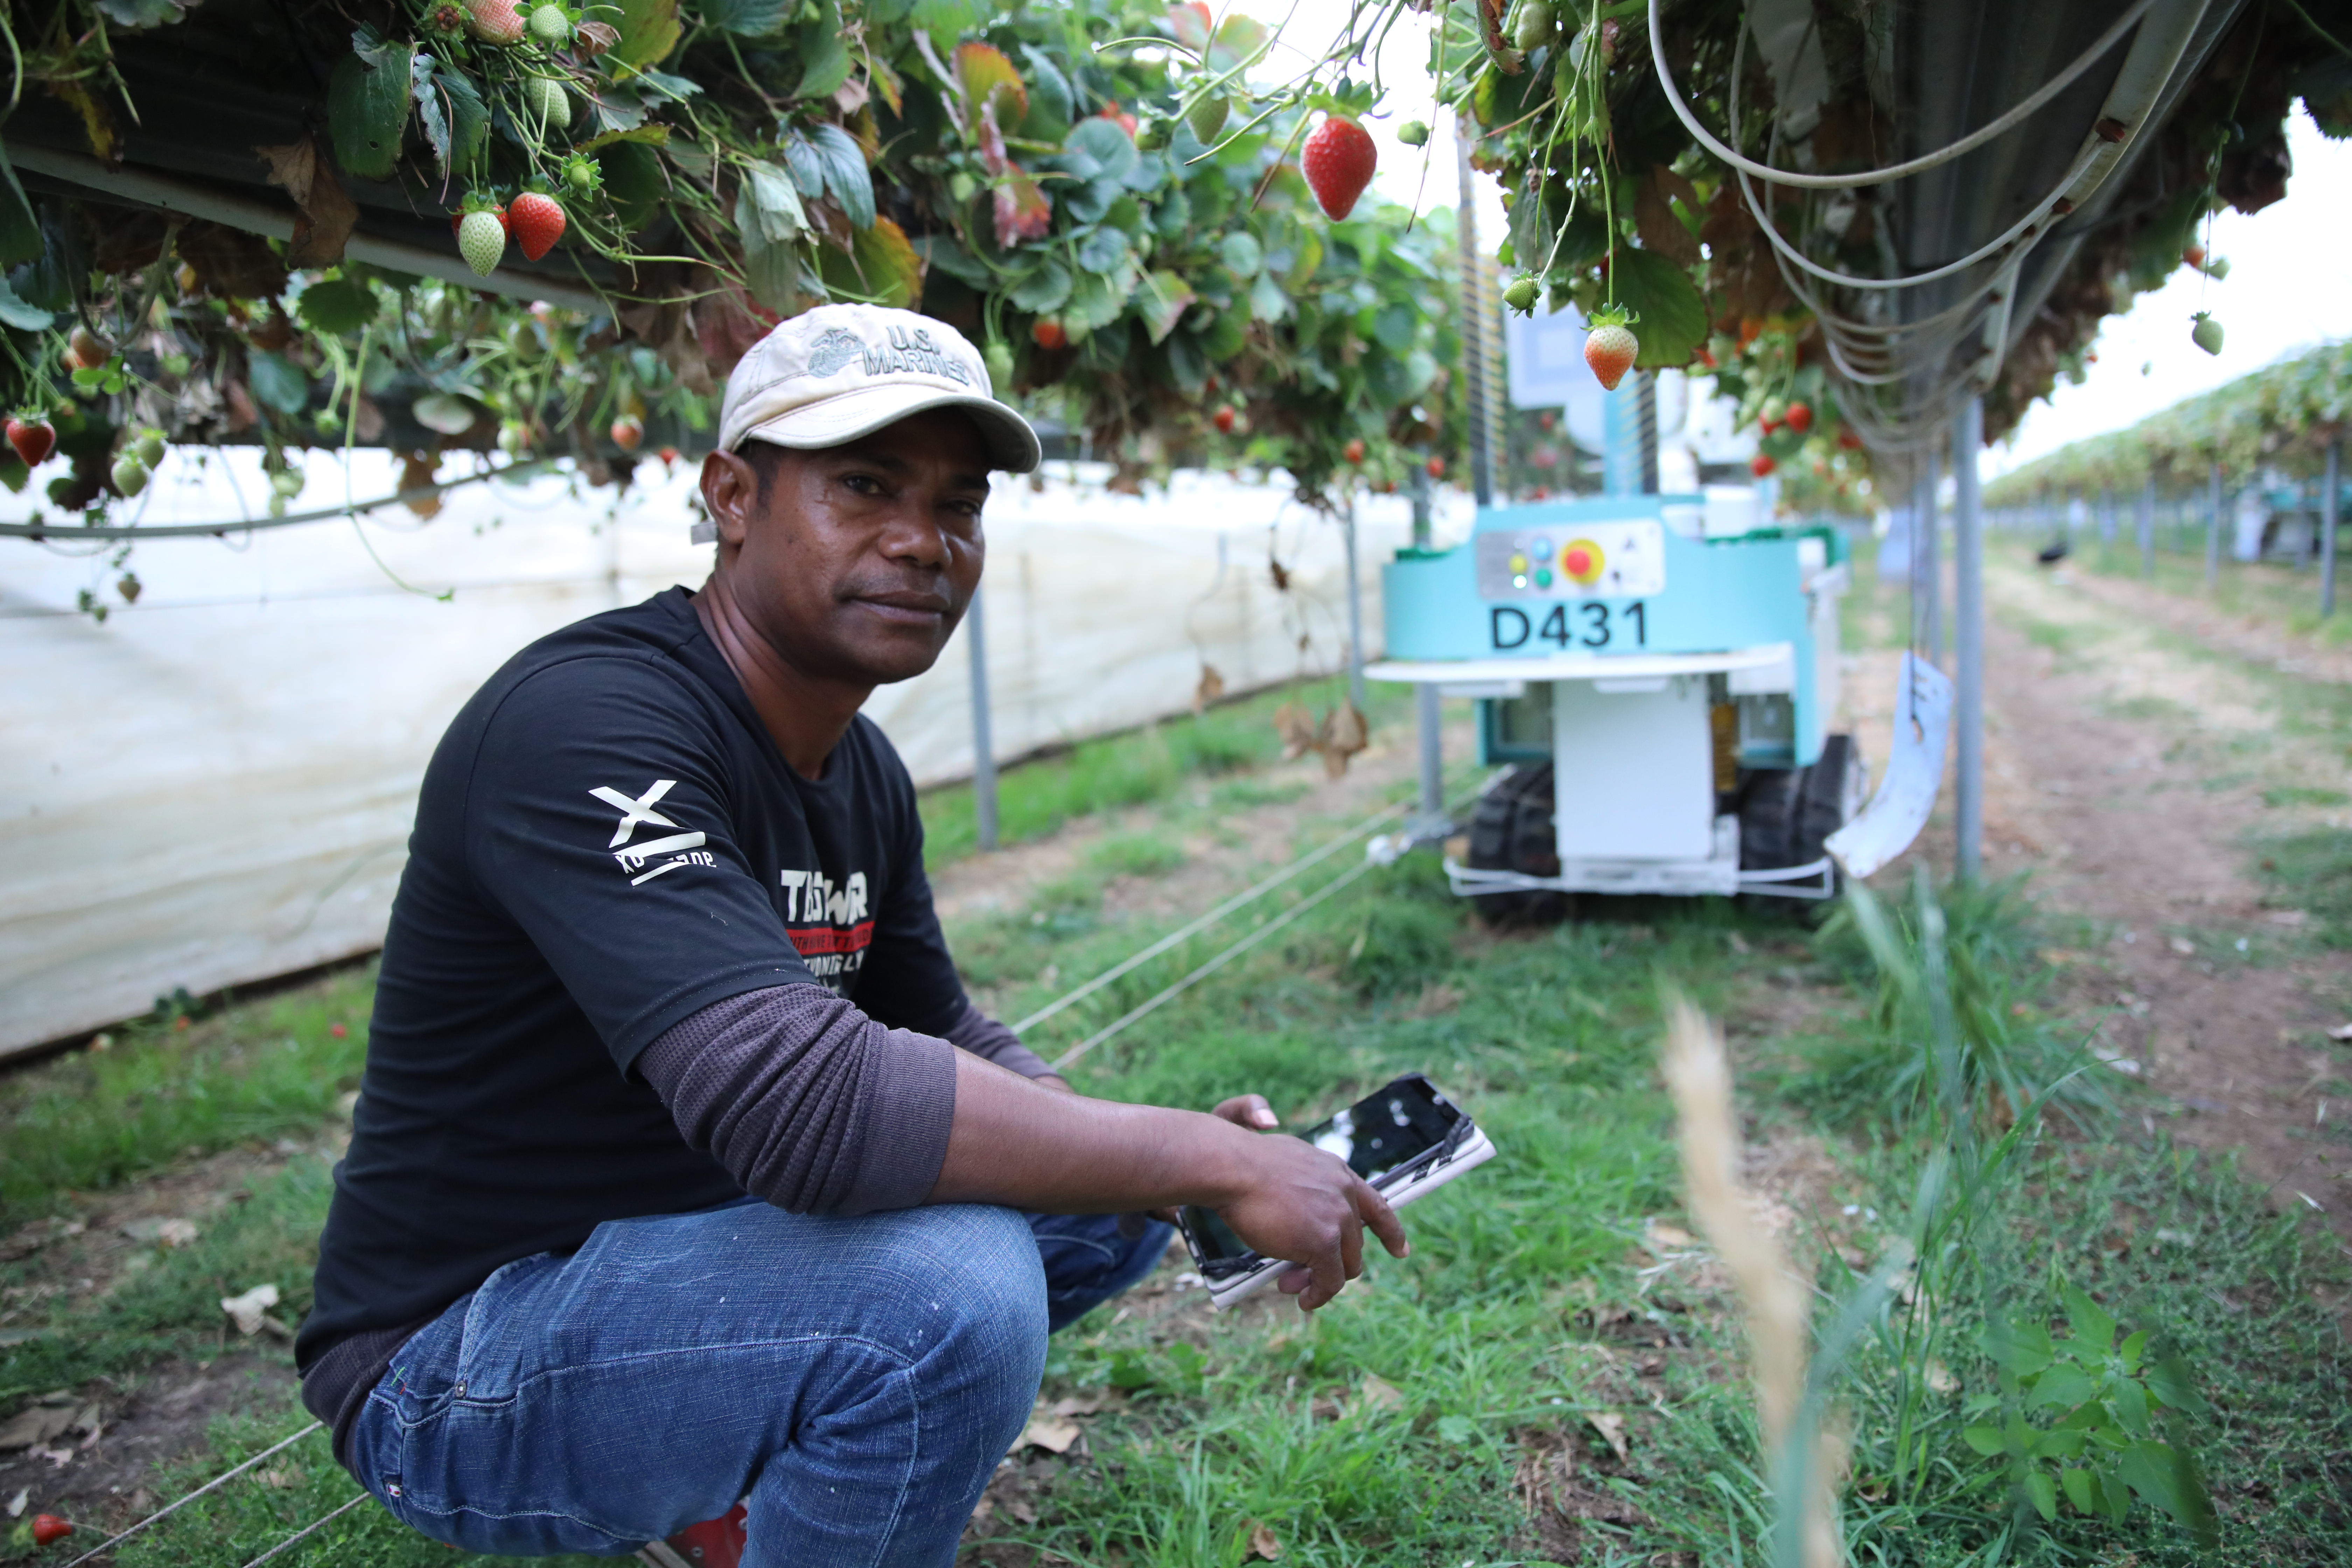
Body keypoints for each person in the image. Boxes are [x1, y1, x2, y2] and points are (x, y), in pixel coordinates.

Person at [294, 303, 1408, 1567]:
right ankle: (725, 1464)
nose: (922, 543)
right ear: (730, 496)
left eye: (959, 505)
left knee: (1109, 1207)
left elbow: (935, 1025)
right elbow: (800, 1108)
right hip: (463, 1356)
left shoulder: (857, 763)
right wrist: (1203, 1161)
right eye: (864, 487)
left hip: (677, 1255)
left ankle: (739, 1479)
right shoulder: (587, 725)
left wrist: (1173, 1161)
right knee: (950, 1297)